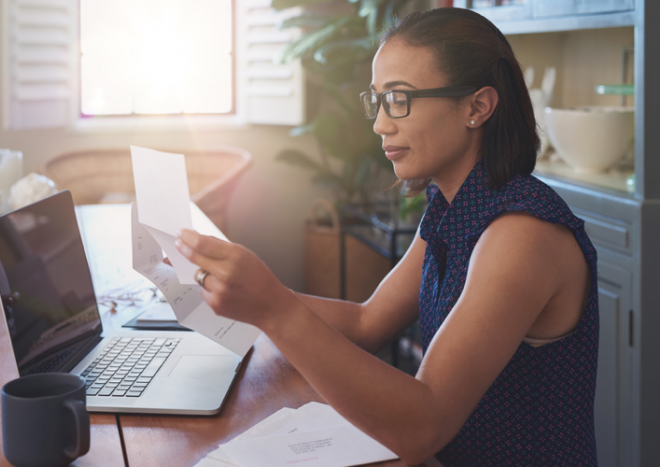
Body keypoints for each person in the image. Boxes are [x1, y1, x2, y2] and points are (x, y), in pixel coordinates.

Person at [174, 8, 598, 467]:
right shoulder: (454, 207)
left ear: (477, 107)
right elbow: (367, 322)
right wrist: (253, 297)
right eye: (377, 101)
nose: (379, 124)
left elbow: (424, 424)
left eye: (399, 99)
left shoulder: (522, 234)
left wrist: (273, 309)